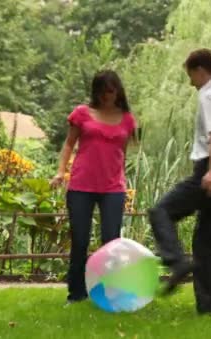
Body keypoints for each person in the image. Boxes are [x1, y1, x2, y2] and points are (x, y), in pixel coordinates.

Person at [148, 48, 211, 315]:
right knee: (206, 241)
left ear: (200, 71)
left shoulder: (210, 95)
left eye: (191, 75)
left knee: (161, 211)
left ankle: (176, 262)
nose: (191, 82)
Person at [50, 70, 137, 305]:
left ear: (118, 90)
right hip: (81, 186)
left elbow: (122, 154)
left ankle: (110, 294)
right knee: (80, 240)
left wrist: (123, 183)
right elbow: (68, 145)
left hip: (113, 189)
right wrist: (61, 172)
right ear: (96, 91)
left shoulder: (127, 118)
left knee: (111, 242)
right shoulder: (82, 114)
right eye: (103, 90)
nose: (108, 95)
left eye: (112, 90)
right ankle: (76, 294)